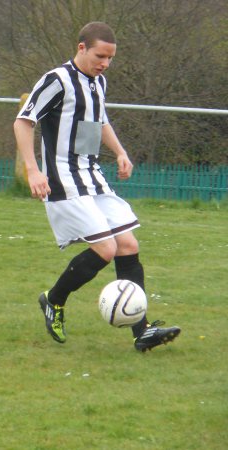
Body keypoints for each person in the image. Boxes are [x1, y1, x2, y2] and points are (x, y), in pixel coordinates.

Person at [13, 22, 180, 351]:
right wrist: (33, 170)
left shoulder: (98, 82)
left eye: (110, 58)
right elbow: (23, 121)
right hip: (62, 176)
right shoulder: (56, 80)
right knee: (105, 249)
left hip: (90, 174)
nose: (105, 63)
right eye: (100, 56)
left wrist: (120, 152)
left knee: (128, 244)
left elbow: (98, 122)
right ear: (81, 48)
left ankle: (142, 332)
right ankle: (54, 300)